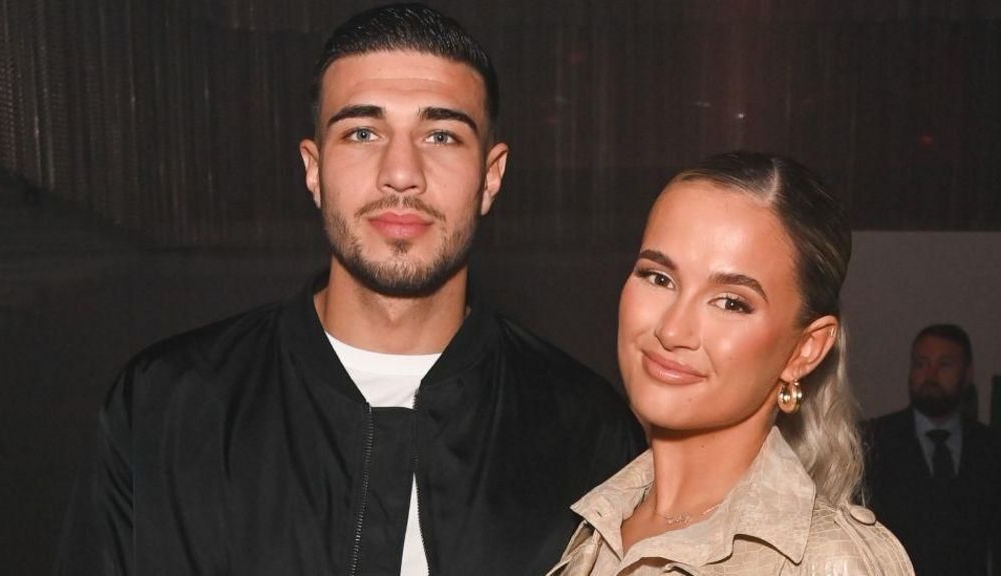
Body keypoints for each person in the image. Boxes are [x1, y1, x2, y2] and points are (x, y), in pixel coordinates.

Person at [53, 4, 645, 575]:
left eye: (441, 135)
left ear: (491, 177)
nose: (401, 172)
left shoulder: (585, 432)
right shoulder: (164, 406)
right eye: (362, 132)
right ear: (314, 169)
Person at [549, 152, 914, 575]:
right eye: (658, 277)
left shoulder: (831, 561)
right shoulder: (593, 531)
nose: (672, 330)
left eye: (731, 302)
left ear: (805, 351)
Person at [864, 324, 1001, 576]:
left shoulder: (991, 448)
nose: (930, 375)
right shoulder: (872, 441)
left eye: (944, 364)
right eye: (921, 363)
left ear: (967, 373)